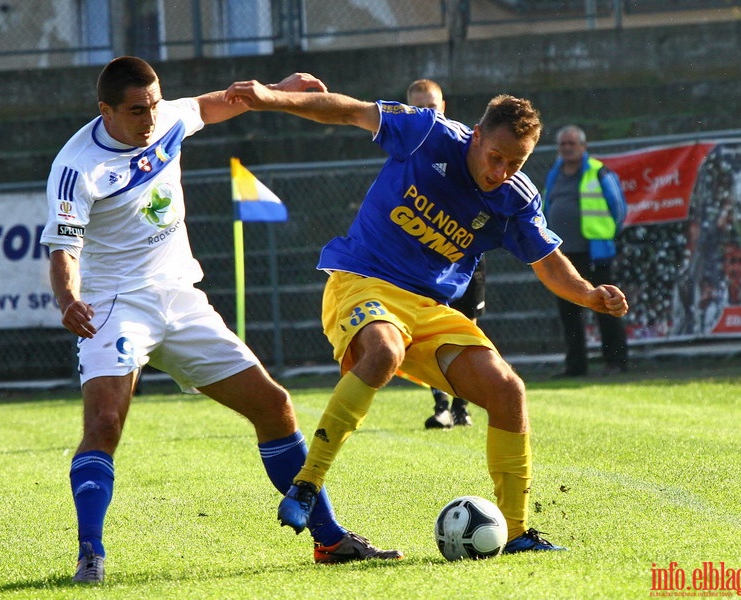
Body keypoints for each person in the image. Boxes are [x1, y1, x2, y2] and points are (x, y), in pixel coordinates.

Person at [224, 81, 629, 553]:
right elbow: (349, 111)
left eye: (515, 163)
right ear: (477, 135)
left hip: (428, 309)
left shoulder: (516, 199)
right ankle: (307, 482)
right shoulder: (428, 133)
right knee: (383, 350)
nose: (501, 172)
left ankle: (517, 533)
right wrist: (272, 98)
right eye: (496, 157)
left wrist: (588, 294)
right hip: (363, 281)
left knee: (507, 390)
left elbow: (547, 260)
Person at [40, 56, 401, 584]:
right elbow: (62, 250)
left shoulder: (165, 117)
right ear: (106, 111)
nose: (150, 119)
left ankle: (330, 540)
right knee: (103, 425)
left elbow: (212, 105)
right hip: (115, 307)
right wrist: (67, 298)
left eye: (154, 105)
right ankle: (89, 555)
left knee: (275, 406)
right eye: (137, 111)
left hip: (181, 299)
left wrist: (278, 89)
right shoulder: (77, 168)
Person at [406, 78, 482, 429]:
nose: (426, 116)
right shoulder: (405, 150)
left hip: (465, 257)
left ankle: (462, 407)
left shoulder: (464, 145)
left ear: (444, 107)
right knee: (432, 335)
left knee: (467, 330)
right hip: (424, 262)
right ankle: (441, 407)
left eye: (432, 108)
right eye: (418, 109)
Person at [543, 125, 629, 376]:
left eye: (572, 143)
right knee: (568, 312)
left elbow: (618, 208)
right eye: (563, 144)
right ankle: (576, 366)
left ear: (583, 146)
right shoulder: (555, 173)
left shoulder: (599, 172)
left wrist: (607, 237)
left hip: (594, 254)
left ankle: (615, 361)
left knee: (607, 307)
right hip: (563, 256)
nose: (567, 148)